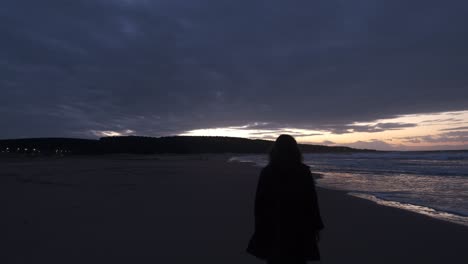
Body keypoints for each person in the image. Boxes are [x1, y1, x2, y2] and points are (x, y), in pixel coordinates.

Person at [247, 135, 324, 264]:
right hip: (299, 227)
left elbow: (260, 205)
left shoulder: (267, 172)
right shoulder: (303, 171)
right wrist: (316, 226)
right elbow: (311, 202)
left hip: (274, 226)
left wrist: (260, 230)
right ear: (295, 150)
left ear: (275, 150)